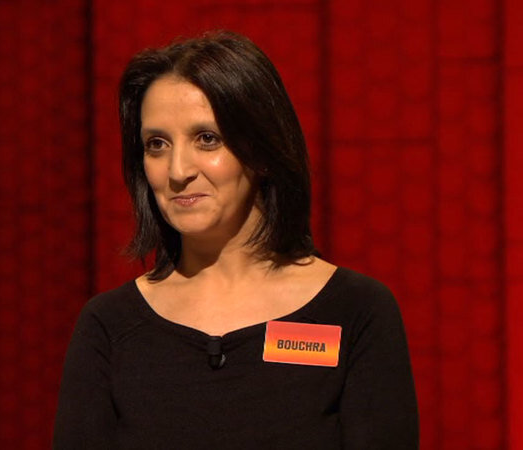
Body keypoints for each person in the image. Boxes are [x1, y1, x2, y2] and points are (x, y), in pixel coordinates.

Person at [53, 30, 418, 449]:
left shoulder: (356, 311)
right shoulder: (110, 326)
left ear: (262, 150)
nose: (177, 171)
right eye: (157, 144)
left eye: (207, 139)